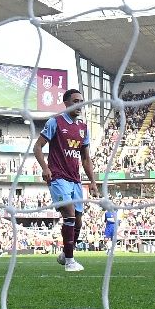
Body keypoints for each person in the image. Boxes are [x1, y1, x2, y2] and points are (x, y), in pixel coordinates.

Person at [33, 88, 98, 272]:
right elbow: (37, 147)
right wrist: (45, 168)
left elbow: (85, 158)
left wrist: (92, 182)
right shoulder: (55, 122)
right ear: (66, 103)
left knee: (78, 222)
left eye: (82, 101)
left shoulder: (83, 128)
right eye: (76, 101)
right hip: (57, 176)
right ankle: (70, 261)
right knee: (69, 213)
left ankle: (65, 254)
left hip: (75, 179)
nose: (80, 105)